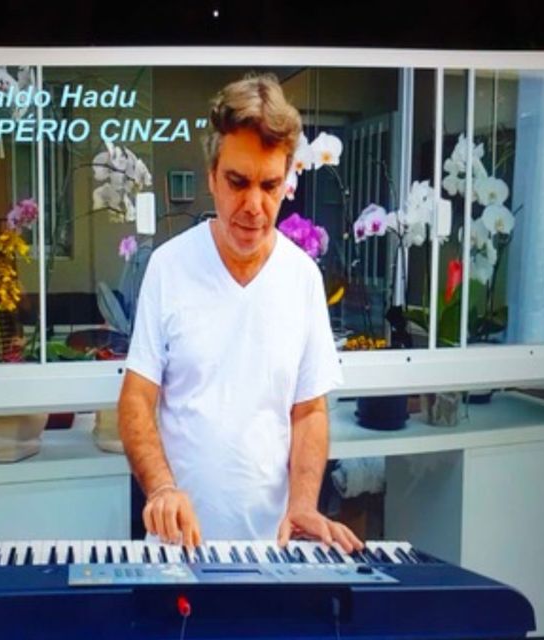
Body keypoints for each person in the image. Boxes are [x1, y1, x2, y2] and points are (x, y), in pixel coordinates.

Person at [118, 74, 362, 554]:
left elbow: (309, 411)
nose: (254, 205)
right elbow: (137, 399)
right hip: (176, 550)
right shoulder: (169, 266)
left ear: (286, 182)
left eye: (269, 185)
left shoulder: (302, 277)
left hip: (274, 551)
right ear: (212, 176)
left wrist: (304, 504)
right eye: (237, 182)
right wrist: (162, 488)